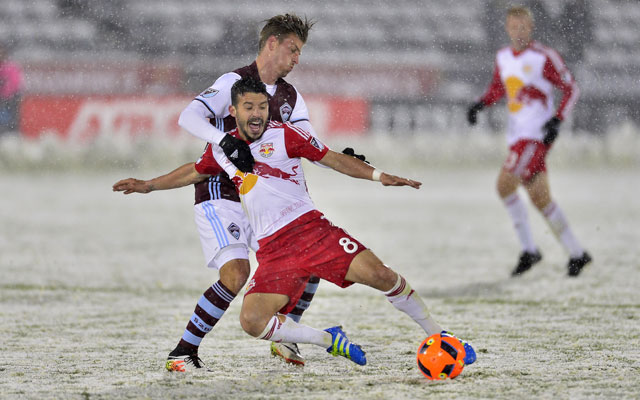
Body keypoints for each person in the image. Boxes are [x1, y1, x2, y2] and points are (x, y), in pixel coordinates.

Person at [115, 14, 364, 371]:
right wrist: (224, 140)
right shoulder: (234, 82)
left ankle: (286, 338)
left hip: (264, 195)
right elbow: (188, 117)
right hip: (220, 189)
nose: (297, 59)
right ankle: (183, 351)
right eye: (293, 49)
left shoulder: (291, 97)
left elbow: (311, 145)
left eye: (300, 53)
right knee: (235, 274)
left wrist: (341, 157)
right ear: (271, 43)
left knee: (308, 258)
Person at [206, 76, 477, 369]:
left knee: (382, 276)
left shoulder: (285, 135)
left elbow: (333, 159)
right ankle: (328, 340)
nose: (256, 113)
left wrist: (378, 175)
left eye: (262, 106)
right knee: (251, 320)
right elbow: (193, 170)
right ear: (233, 111)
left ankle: (440, 335)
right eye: (249, 107)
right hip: (273, 250)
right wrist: (151, 185)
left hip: (312, 232)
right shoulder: (222, 149)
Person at [466, 5, 591, 277]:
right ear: (507, 28)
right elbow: (500, 88)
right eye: (514, 26)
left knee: (504, 185)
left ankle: (529, 250)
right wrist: (480, 104)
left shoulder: (543, 57)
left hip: (536, 137)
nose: (518, 32)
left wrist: (558, 120)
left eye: (523, 26)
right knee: (540, 198)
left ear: (531, 28)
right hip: (517, 136)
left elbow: (572, 88)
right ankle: (578, 253)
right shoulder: (503, 57)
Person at [0, 44, 23, 134]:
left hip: (9, 100)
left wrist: (5, 95)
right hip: (5, 100)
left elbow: (14, 84)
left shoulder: (11, 67)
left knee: (11, 124)